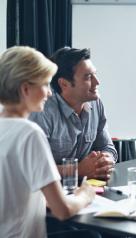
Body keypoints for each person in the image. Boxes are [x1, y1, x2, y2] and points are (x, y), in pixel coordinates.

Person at [0, 46, 96, 238]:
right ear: (26, 89)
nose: (50, 93)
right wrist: (85, 194)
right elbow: (63, 210)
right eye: (45, 85)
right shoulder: (29, 133)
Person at [29, 47, 117, 180]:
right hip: (48, 193)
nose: (97, 82)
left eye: (95, 74)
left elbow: (107, 147)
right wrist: (77, 170)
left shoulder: (95, 102)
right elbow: (33, 168)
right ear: (64, 84)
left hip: (86, 189)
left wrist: (105, 160)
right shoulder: (42, 111)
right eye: (88, 77)